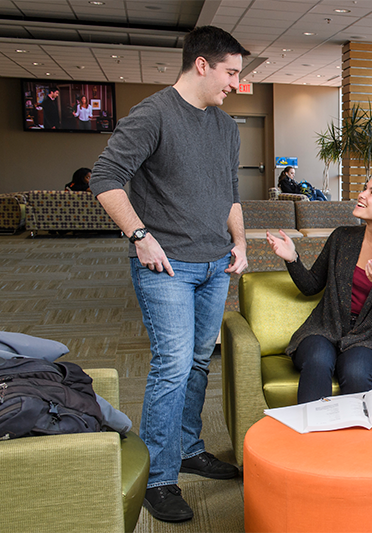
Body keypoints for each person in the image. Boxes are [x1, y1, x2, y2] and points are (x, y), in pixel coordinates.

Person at [89, 26, 250, 523]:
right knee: (172, 367)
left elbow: (230, 195)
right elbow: (104, 177)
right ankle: (160, 477)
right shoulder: (154, 113)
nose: (236, 84)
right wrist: (140, 236)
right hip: (167, 267)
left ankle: (188, 448)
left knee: (199, 363)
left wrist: (240, 242)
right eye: (231, 73)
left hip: (215, 264)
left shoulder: (225, 126)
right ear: (201, 64)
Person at [266, 174, 372, 404]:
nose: (361, 195)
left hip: (367, 339)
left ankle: (353, 439)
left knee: (356, 371)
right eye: (365, 188)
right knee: (319, 359)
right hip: (323, 329)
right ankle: (313, 437)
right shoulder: (342, 238)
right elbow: (311, 286)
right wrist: (292, 258)